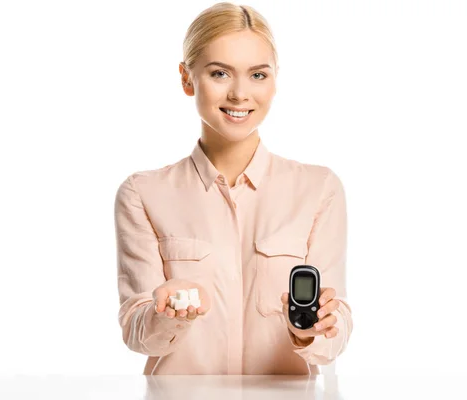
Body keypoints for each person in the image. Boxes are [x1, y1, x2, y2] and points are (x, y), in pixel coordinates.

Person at [114, 2, 353, 375]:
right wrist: (165, 315)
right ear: (186, 78)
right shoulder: (142, 194)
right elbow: (135, 330)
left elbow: (337, 328)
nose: (241, 94)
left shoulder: (319, 189)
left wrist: (309, 333)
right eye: (220, 73)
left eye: (258, 75)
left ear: (275, 80)